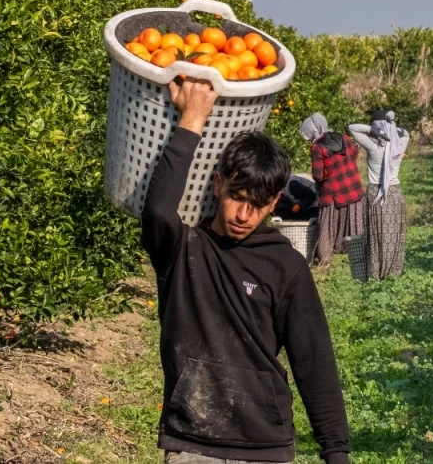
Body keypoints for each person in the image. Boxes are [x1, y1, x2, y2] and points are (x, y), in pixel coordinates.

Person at [143, 80, 351, 464]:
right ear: (218, 184)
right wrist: (192, 118)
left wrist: (336, 452)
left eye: (257, 204)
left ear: (274, 202)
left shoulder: (284, 265)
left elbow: (314, 361)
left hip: (265, 446)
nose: (244, 214)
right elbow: (157, 209)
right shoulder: (183, 249)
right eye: (237, 197)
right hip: (192, 443)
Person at [348, 111, 409, 280]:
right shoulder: (399, 146)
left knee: (376, 235)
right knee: (394, 234)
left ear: (376, 128)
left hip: (377, 193)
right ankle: (393, 271)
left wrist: (372, 130)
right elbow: (406, 134)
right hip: (394, 193)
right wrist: (395, 129)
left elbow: (352, 128)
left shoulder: (374, 146)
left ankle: (377, 271)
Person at [299, 113, 365, 267]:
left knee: (327, 228)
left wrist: (328, 175)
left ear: (313, 130)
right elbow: (355, 152)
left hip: (333, 194)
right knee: (355, 224)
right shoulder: (343, 138)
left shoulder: (317, 148)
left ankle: (324, 260)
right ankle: (358, 257)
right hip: (353, 188)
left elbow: (318, 175)